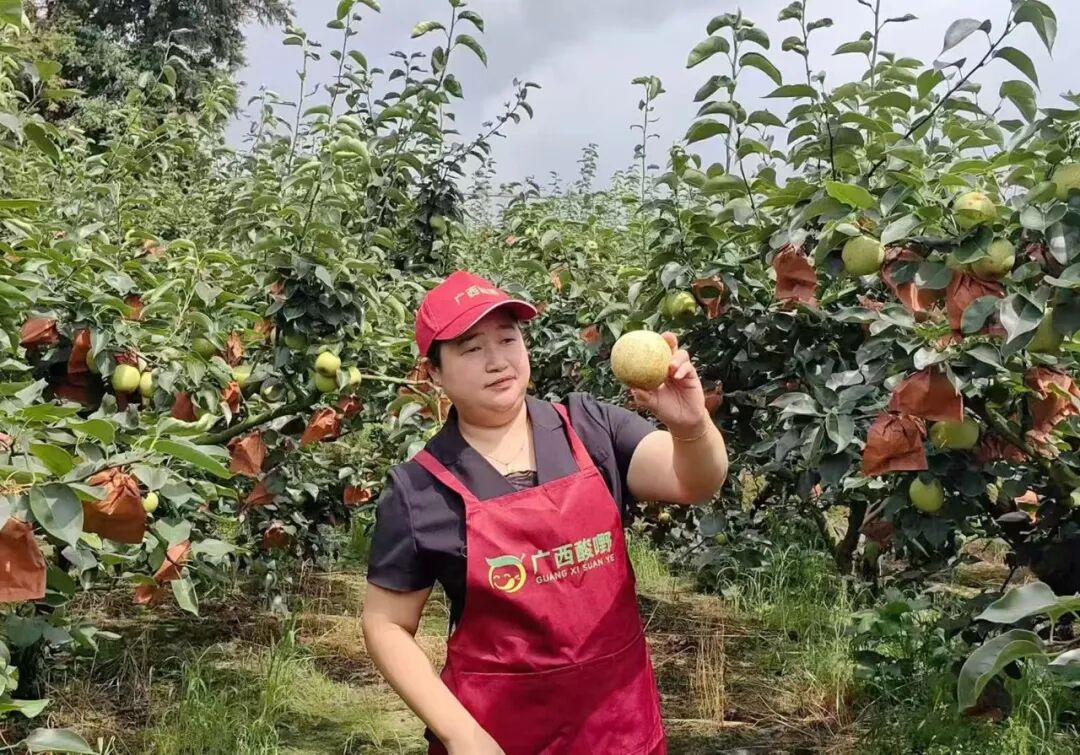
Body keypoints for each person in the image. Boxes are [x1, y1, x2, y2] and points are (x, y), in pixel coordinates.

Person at [361, 270, 729, 755]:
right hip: (499, 735)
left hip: (618, 730)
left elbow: (695, 481)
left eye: (507, 339)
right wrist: (461, 734)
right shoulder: (421, 488)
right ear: (433, 373)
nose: (497, 361)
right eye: (471, 348)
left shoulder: (589, 427)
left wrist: (691, 425)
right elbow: (385, 624)